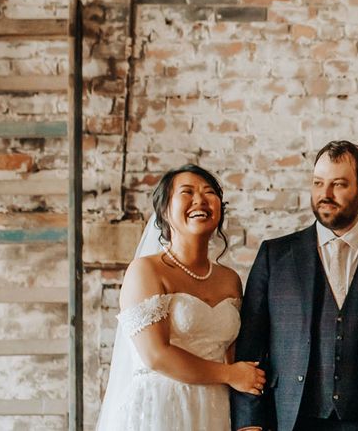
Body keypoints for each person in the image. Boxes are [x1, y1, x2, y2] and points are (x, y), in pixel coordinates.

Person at [231, 141, 358, 431]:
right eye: (318, 183)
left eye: (338, 184)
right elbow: (248, 351)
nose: (324, 194)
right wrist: (249, 424)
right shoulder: (275, 257)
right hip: (291, 419)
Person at [97, 164, 265, 431]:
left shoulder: (230, 279)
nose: (200, 199)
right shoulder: (146, 271)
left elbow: (233, 353)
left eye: (209, 192)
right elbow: (156, 355)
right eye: (187, 192)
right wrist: (229, 375)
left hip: (214, 409)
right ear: (164, 210)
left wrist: (247, 419)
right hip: (161, 408)